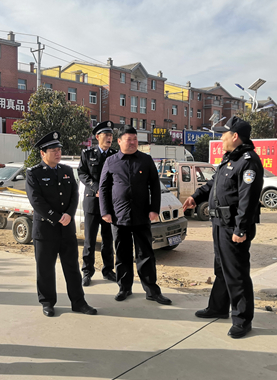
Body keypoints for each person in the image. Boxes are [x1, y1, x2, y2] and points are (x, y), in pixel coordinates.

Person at [183, 116, 263, 339]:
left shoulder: (248, 161)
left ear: (235, 136)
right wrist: (196, 197)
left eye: (223, 135)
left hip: (233, 227)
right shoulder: (230, 159)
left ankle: (242, 319)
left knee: (236, 273)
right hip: (219, 223)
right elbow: (214, 184)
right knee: (221, 269)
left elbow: (248, 200)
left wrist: (241, 229)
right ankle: (218, 307)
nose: (221, 139)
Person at [25, 131, 97, 318]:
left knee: (72, 267)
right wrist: (56, 217)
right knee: (45, 269)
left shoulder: (66, 170)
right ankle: (47, 302)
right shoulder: (34, 173)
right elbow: (36, 201)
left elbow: (74, 194)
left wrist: (68, 214)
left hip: (66, 229)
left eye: (59, 150)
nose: (58, 153)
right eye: (53, 150)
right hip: (45, 230)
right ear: (43, 153)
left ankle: (78, 302)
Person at [99, 125, 171, 305]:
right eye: (128, 139)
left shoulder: (146, 160)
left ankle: (151, 290)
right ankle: (124, 288)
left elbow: (155, 186)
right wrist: (105, 211)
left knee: (145, 254)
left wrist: (154, 209)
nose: (132, 143)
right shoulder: (111, 161)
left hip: (141, 215)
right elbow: (104, 187)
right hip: (118, 216)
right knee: (122, 254)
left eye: (135, 139)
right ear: (119, 141)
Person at [78, 121, 118, 286]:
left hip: (109, 204)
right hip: (92, 202)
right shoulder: (88, 154)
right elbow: (82, 173)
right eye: (106, 135)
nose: (109, 138)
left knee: (108, 240)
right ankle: (87, 272)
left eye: (111, 135)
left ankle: (108, 270)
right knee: (90, 240)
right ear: (97, 137)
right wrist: (96, 188)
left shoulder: (115, 155)